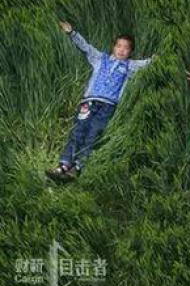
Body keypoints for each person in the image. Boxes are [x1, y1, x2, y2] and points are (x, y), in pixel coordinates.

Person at [47, 21, 155, 181]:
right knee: (78, 131)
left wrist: (163, 56)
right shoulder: (100, 58)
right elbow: (85, 47)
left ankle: (77, 168)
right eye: (119, 46)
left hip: (108, 107)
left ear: (131, 52)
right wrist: (72, 33)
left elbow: (149, 63)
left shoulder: (130, 66)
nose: (121, 50)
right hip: (89, 102)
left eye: (126, 48)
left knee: (93, 133)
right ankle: (63, 166)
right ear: (113, 47)